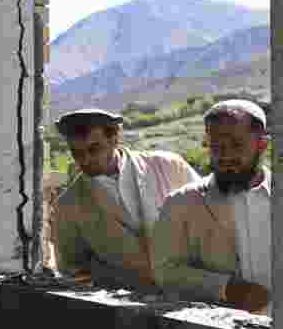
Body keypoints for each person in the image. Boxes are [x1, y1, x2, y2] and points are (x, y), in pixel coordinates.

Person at [52, 108, 201, 290]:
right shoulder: (68, 204)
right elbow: (72, 269)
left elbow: (207, 214)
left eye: (94, 149)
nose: (85, 160)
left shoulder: (168, 165)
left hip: (195, 293)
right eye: (77, 153)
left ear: (115, 138)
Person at [152, 99, 272, 313]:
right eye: (216, 146)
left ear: (262, 144)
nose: (225, 156)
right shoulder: (182, 203)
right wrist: (225, 288)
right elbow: (165, 271)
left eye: (236, 145)